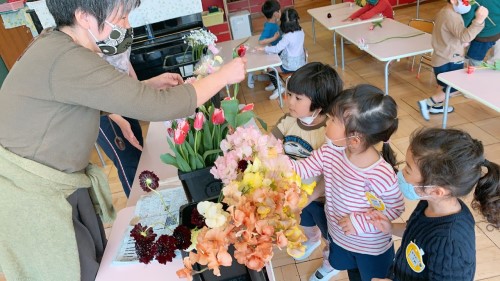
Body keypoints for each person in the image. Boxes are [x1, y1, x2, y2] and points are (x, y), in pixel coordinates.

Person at [0, 0, 246, 280]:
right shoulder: (69, 58)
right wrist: (225, 75)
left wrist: (144, 87)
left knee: (94, 264)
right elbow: (161, 107)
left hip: (51, 185)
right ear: (84, 17)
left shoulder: (57, 44)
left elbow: (80, 97)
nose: (127, 24)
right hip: (32, 196)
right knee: (75, 270)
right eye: (122, 15)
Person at [290, 84, 405, 281]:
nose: (327, 122)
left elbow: (394, 209)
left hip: (371, 248)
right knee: (353, 274)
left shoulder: (380, 174)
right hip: (341, 238)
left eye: (333, 120)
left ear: (355, 138)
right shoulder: (330, 152)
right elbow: (302, 168)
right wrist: (270, 160)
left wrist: (360, 222)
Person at [369, 127, 500, 281]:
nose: (401, 173)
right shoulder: (428, 203)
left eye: (408, 170)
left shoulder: (450, 244)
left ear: (437, 191)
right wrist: (390, 227)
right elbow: (416, 231)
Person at [271, 62, 343, 281]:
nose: (289, 101)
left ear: (319, 105)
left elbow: (330, 173)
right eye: (289, 93)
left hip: (322, 199)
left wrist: (312, 194)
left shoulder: (328, 133)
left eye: (298, 98)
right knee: (305, 223)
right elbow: (270, 144)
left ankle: (332, 263)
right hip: (298, 194)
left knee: (331, 236)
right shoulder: (288, 121)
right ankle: (312, 240)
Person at [417, 0, 488, 121]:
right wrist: (479, 20)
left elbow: (450, 35)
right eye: (466, 1)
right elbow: (465, 36)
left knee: (443, 84)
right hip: (450, 58)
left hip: (441, 56)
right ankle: (428, 103)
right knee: (457, 86)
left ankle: (437, 107)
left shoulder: (446, 12)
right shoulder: (450, 16)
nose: (468, 4)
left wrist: (460, 42)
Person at [258, 8, 306, 100]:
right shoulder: (301, 31)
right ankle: (275, 83)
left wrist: (264, 48)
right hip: (301, 63)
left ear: (283, 22)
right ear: (297, 20)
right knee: (275, 60)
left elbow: (276, 49)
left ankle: (278, 87)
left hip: (290, 65)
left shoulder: (287, 36)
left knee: (269, 68)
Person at [247, 0, 282, 89]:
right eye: (279, 11)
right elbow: (261, 41)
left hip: (276, 48)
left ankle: (271, 81)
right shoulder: (270, 26)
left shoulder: (272, 23)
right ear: (275, 14)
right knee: (272, 67)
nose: (280, 12)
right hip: (274, 50)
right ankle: (273, 82)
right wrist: (274, 38)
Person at [462, 0, 500, 66]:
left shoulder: (474, 2)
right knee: (495, 55)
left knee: (474, 59)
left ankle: (474, 70)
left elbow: (465, 20)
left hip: (482, 37)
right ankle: (492, 66)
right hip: (497, 31)